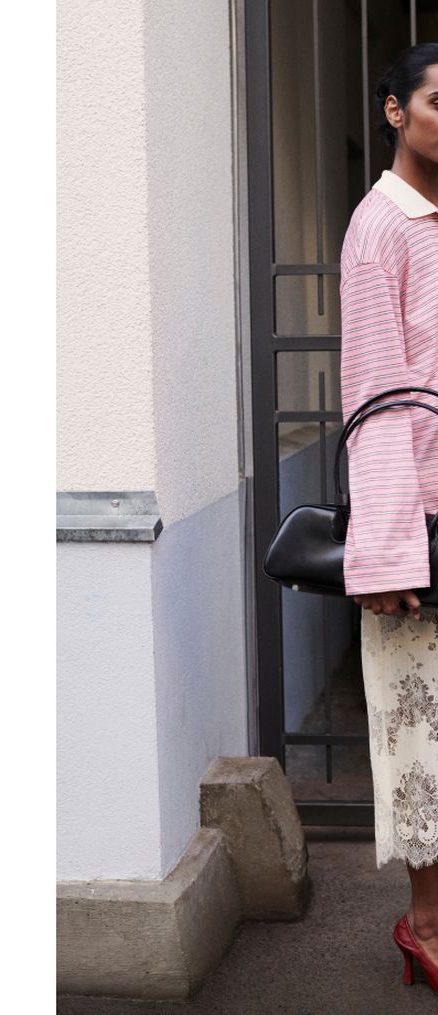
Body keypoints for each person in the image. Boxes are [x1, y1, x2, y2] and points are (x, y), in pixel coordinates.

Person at [341, 42, 438, 991]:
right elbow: (374, 398)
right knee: (418, 732)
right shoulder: (381, 228)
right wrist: (384, 553)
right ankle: (426, 922)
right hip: (418, 527)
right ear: (395, 112)